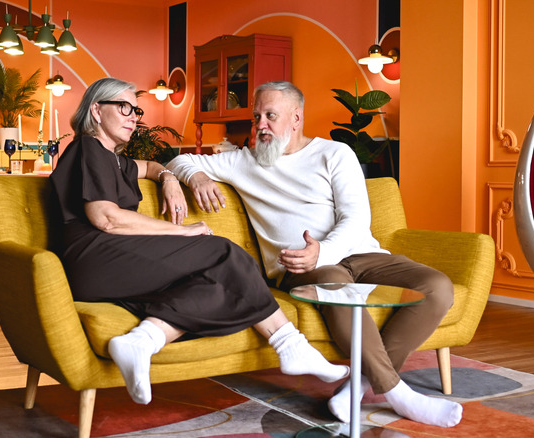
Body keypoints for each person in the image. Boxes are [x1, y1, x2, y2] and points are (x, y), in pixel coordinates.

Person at [166, 81, 462, 428]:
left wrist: (324, 251)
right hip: (299, 267)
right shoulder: (243, 161)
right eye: (256, 116)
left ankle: (358, 388)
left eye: (270, 116)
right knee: (335, 282)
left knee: (437, 286)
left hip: (359, 254)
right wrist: (194, 176)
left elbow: (356, 219)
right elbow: (178, 158)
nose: (260, 124)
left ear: (296, 118)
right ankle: (399, 394)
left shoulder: (335, 153)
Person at [49, 77, 348, 405]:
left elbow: (148, 166)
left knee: (217, 283)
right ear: (95, 110)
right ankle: (290, 345)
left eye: (135, 109)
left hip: (108, 262)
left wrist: (168, 178)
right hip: (93, 258)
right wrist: (182, 230)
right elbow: (106, 217)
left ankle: (142, 341)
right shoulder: (87, 148)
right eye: (123, 107)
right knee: (222, 251)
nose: (133, 116)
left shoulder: (112, 158)